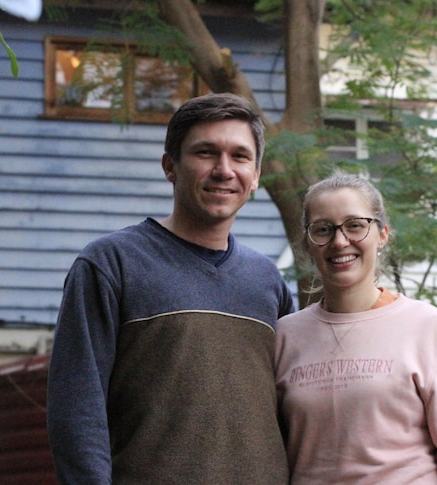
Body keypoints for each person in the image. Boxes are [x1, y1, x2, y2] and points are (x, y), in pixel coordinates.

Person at [47, 93, 294, 484]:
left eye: (240, 156)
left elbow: (294, 409)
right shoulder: (111, 264)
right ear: (170, 166)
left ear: (256, 175)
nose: (224, 170)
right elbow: (76, 409)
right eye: (206, 152)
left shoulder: (267, 281)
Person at [275, 172, 437, 484]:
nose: (339, 241)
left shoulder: (427, 327)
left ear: (383, 234)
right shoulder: (284, 337)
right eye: (323, 229)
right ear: (309, 243)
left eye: (355, 225)